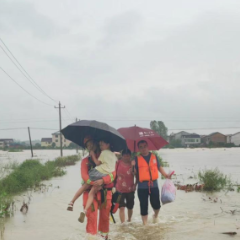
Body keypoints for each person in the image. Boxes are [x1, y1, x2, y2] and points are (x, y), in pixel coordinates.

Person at [68, 136, 116, 239]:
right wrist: (94, 183)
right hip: (89, 191)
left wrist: (103, 181)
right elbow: (84, 176)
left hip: (105, 192)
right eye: (87, 145)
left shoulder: (106, 157)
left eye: (91, 143)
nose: (89, 146)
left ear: (97, 143)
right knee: (91, 217)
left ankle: (104, 237)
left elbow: (113, 174)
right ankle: (92, 237)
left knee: (104, 218)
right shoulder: (85, 161)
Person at [132, 140, 171, 225]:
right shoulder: (136, 159)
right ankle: (145, 225)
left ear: (148, 146)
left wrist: (166, 175)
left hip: (153, 185)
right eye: (141, 147)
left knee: (156, 205)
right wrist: (133, 166)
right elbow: (134, 173)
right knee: (143, 206)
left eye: (145, 146)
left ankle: (155, 216)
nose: (143, 149)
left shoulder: (154, 156)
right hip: (142, 186)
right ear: (138, 149)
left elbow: (159, 167)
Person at [115, 148, 136, 223]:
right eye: (125, 155)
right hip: (119, 189)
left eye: (128, 156)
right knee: (121, 207)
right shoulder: (118, 163)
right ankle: (123, 224)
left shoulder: (132, 163)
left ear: (130, 156)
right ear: (122, 156)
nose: (126, 157)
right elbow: (114, 174)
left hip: (130, 189)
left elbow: (136, 175)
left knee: (130, 207)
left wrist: (133, 166)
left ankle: (129, 220)